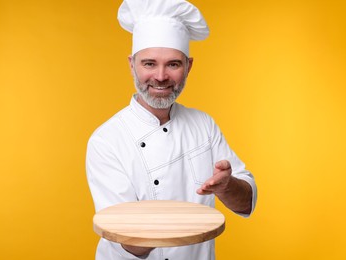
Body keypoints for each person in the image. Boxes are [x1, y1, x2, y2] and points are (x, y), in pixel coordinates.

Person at [86, 0, 257, 259]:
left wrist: (226, 187)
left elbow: (245, 203)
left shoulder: (204, 125)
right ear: (132, 65)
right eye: (149, 63)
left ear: (188, 66)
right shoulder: (107, 140)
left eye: (173, 64)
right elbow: (127, 242)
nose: (161, 76)